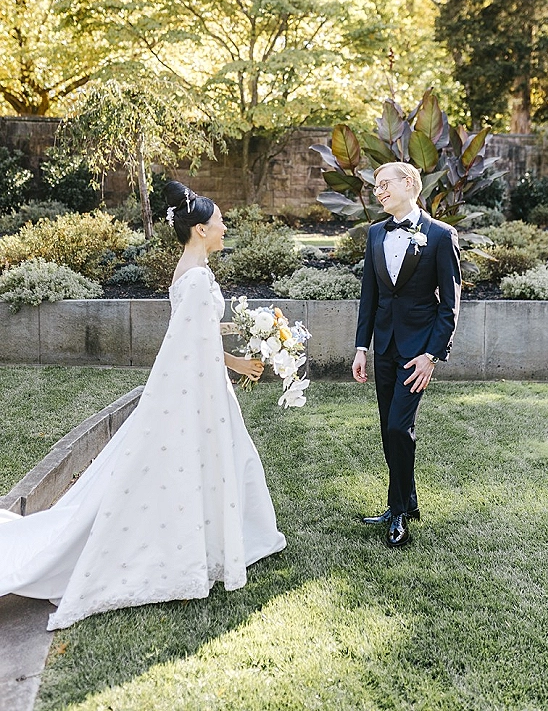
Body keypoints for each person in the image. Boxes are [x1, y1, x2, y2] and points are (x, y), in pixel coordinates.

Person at [0, 181, 286, 630]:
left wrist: (238, 356)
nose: (224, 227)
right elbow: (189, 346)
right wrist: (233, 364)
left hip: (203, 384)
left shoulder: (194, 269)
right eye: (219, 222)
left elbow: (202, 338)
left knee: (225, 459)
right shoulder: (194, 278)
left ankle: (223, 540)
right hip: (195, 391)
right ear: (199, 229)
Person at [352, 162, 461, 547]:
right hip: (384, 348)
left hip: (418, 353)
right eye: (376, 186)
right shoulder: (376, 233)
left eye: (385, 184)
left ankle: (398, 513)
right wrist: (361, 347)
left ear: (410, 185)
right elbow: (371, 295)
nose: (378, 191)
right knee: (388, 430)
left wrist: (433, 355)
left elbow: (450, 305)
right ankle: (404, 499)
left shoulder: (440, 236)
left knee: (400, 427)